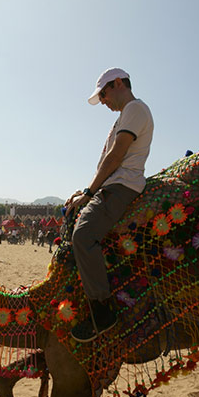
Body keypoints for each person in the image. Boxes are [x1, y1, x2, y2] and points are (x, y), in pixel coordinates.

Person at [65, 67, 153, 342]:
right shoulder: (126, 115)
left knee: (83, 235)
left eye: (103, 93)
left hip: (121, 187)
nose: (103, 101)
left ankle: (103, 313)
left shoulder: (135, 109)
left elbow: (115, 157)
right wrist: (85, 191)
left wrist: (90, 193)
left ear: (118, 84)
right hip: (112, 185)